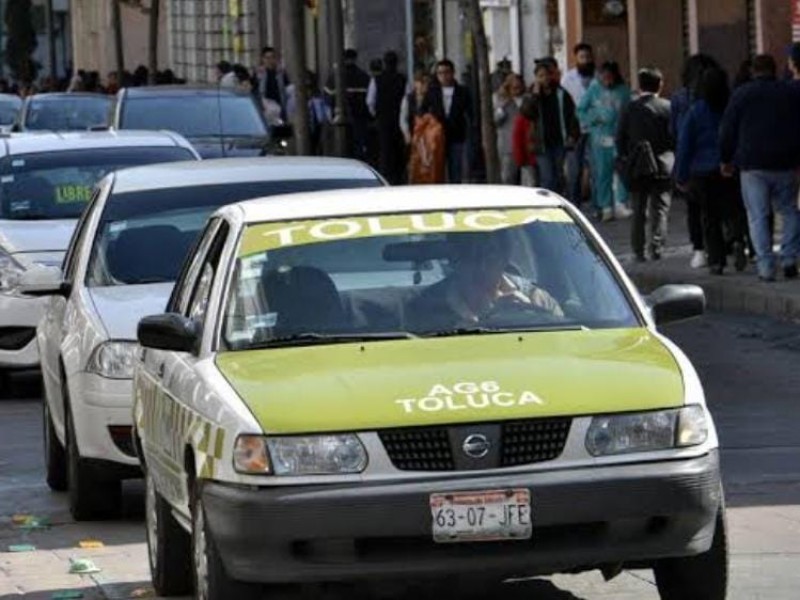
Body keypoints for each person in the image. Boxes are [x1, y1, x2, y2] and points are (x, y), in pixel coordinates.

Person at [720, 54, 800, 282]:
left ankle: (765, 266)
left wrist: (726, 159)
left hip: (752, 164)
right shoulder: (790, 92)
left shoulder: (742, 94)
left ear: (753, 71)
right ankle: (789, 259)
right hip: (786, 162)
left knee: (757, 215)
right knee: (790, 210)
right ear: (774, 70)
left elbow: (727, 130)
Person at [406, 232, 562, 332]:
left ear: (505, 257)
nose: (481, 265)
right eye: (471, 254)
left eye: (490, 254)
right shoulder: (424, 308)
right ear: (455, 259)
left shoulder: (538, 300)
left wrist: (530, 317)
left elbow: (562, 345)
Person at [675, 66, 746, 275]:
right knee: (732, 209)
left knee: (709, 217)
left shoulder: (696, 111)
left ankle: (717, 260)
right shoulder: (731, 106)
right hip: (729, 167)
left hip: (702, 171)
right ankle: (737, 239)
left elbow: (685, 144)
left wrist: (681, 175)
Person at [616, 67, 674, 262]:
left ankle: (638, 250)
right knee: (660, 208)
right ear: (660, 84)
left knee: (639, 209)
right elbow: (674, 137)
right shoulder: (668, 107)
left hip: (638, 165)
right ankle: (656, 247)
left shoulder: (630, 108)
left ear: (639, 86)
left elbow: (620, 139)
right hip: (663, 165)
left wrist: (625, 159)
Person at [671, 54, 720, 269]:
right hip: (721, 162)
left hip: (693, 163)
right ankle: (727, 245)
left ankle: (699, 250)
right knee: (720, 210)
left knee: (695, 209)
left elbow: (675, 132)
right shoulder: (721, 98)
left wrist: (679, 172)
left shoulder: (681, 98)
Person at [578, 61, 632, 221]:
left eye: (609, 76)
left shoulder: (623, 91)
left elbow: (629, 110)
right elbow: (581, 109)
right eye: (603, 76)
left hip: (620, 136)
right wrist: (593, 119)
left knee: (622, 170)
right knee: (603, 172)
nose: (607, 80)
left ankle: (621, 203)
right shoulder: (594, 89)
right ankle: (606, 206)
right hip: (600, 137)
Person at [529, 61, 579, 193]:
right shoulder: (532, 95)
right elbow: (526, 112)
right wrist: (535, 96)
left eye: (546, 75)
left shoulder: (561, 93)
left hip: (559, 141)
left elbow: (572, 115)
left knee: (558, 175)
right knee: (547, 178)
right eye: (540, 76)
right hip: (541, 143)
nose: (544, 79)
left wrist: (572, 135)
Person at [421, 59, 473, 183]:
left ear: (452, 73)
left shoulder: (463, 91)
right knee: (438, 170)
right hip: (437, 137)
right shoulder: (432, 91)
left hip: (457, 135)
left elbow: (471, 112)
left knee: (456, 170)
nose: (443, 76)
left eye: (446, 72)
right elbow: (423, 110)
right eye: (440, 73)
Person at [562, 43, 596, 205]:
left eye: (588, 57)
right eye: (582, 57)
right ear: (576, 59)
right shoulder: (568, 79)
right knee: (574, 169)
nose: (585, 60)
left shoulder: (598, 77)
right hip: (575, 130)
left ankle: (599, 204)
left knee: (596, 168)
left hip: (596, 129)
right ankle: (574, 204)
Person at [367, 51, 407, 185]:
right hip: (399, 119)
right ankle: (399, 177)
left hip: (383, 120)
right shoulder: (402, 79)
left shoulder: (377, 80)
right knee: (399, 151)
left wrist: (376, 114)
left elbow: (370, 101)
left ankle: (386, 178)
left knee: (385, 151)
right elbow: (407, 99)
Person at [325, 48, 371, 160]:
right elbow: (369, 101)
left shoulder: (334, 77)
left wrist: (331, 116)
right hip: (359, 118)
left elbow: (327, 98)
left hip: (339, 118)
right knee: (358, 149)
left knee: (342, 150)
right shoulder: (364, 77)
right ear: (355, 59)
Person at [494, 73, 526, 185]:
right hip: (508, 145)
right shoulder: (500, 100)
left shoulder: (527, 98)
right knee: (508, 177)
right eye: (513, 86)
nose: (516, 88)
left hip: (526, 144)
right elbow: (496, 120)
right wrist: (504, 102)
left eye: (518, 85)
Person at [257, 46, 291, 122]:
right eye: (267, 58)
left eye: (272, 57)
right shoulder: (259, 73)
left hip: (279, 105)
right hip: (266, 106)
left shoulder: (280, 73)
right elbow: (256, 90)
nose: (270, 60)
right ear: (263, 59)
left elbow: (287, 87)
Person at [511, 96, 539, 187]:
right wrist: (520, 160)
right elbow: (518, 141)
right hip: (527, 160)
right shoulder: (521, 120)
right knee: (530, 182)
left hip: (535, 157)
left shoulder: (537, 120)